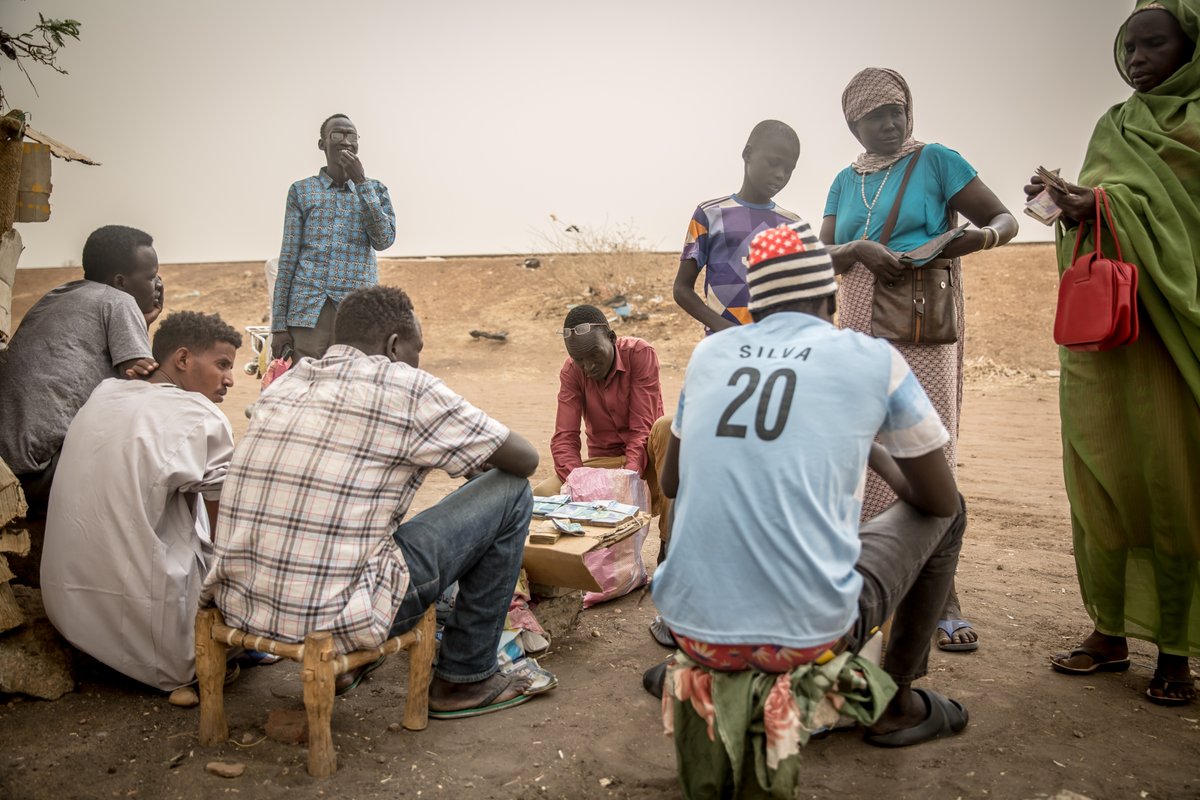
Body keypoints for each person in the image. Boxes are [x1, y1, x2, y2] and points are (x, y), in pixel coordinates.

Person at [651, 224, 967, 795]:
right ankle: (895, 698)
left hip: (689, 631)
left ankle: (709, 663)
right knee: (956, 511)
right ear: (830, 297)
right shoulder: (870, 358)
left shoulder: (709, 353)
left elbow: (671, 480)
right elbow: (937, 500)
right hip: (804, 635)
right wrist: (871, 444)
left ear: (756, 302)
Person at [204, 285, 548, 715]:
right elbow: (525, 459)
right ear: (394, 345)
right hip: (338, 616)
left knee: (351, 523)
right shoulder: (408, 386)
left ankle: (347, 669)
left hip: (244, 606)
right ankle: (465, 677)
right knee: (510, 491)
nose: (418, 361)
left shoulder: (289, 383)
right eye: (416, 349)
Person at [1027, 0, 1199, 706]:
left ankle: (1177, 651)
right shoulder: (1115, 124)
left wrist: (1106, 201)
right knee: (1102, 478)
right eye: (1128, 47)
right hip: (1111, 340)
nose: (1137, 58)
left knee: (1172, 487)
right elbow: (1107, 213)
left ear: (1190, 44)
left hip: (1173, 336)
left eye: (1153, 44)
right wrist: (1073, 205)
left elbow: (1181, 217)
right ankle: (1108, 631)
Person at [820, 68, 1018, 652]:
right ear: (852, 123)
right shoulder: (842, 179)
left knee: (927, 444)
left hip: (921, 323)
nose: (889, 123)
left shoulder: (937, 160)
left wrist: (970, 241)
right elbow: (822, 252)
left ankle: (942, 593)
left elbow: (1002, 219)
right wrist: (855, 248)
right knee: (863, 445)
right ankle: (867, 582)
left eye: (896, 111)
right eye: (874, 116)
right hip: (859, 319)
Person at [40, 311, 240, 693]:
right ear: (182, 360)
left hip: (68, 611)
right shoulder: (201, 416)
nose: (230, 379)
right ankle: (207, 665)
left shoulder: (105, 393)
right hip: (163, 647)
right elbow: (223, 535)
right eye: (222, 364)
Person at [0, 224, 162, 512]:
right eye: (151, 277)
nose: (158, 284)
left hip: (7, 467)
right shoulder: (119, 302)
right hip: (40, 473)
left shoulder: (57, 296)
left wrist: (143, 323)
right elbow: (141, 386)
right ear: (121, 281)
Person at [533, 304, 671, 547]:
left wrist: (625, 482)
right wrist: (581, 483)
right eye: (579, 360)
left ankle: (668, 546)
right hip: (602, 468)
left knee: (666, 428)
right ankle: (583, 558)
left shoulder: (640, 354)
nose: (588, 367)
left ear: (612, 338)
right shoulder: (571, 372)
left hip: (648, 464)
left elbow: (642, 430)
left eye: (594, 354)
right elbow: (564, 438)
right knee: (542, 494)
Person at [270, 113, 396, 361]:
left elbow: (383, 240)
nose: (345, 141)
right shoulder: (301, 191)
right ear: (322, 144)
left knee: (353, 383)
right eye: (337, 134)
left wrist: (360, 182)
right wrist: (279, 326)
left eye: (351, 135)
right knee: (306, 385)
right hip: (308, 311)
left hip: (356, 312)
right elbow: (288, 258)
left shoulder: (376, 190)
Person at [674, 119, 803, 336]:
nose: (781, 174)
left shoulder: (792, 225)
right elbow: (681, 289)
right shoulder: (709, 214)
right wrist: (725, 330)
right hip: (723, 346)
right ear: (748, 154)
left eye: (788, 169)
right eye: (774, 163)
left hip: (772, 348)